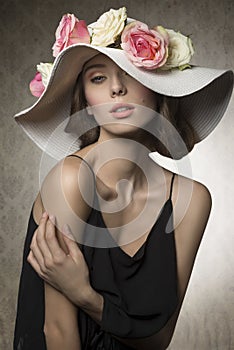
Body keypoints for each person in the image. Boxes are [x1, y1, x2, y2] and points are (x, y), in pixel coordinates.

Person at [13, 7, 233, 350]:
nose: (117, 88)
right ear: (84, 98)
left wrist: (85, 295)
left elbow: (157, 339)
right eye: (98, 78)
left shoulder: (191, 200)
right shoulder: (70, 180)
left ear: (158, 88)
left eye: (131, 73)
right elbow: (57, 332)